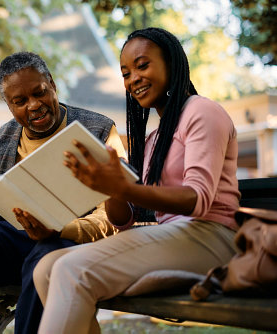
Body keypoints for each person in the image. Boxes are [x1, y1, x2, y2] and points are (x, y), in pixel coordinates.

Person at [33, 27, 241, 334]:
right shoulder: (154, 138)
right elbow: (124, 220)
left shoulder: (202, 111)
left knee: (70, 269)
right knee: (46, 268)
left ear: (171, 62)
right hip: (175, 237)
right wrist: (108, 190)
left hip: (212, 238)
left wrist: (124, 187)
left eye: (142, 66)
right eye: (126, 74)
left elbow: (198, 199)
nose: (133, 80)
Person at [0, 51, 127, 334]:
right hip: (15, 242)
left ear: (53, 84)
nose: (34, 105)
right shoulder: (1, 140)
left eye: (40, 93)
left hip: (69, 243)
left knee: (44, 259)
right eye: (19, 101)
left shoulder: (98, 130)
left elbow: (114, 220)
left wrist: (59, 230)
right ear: (8, 105)